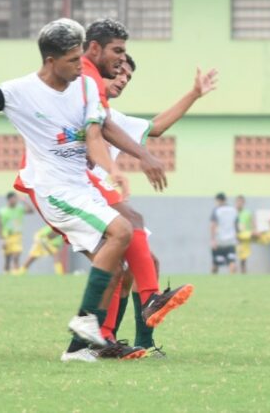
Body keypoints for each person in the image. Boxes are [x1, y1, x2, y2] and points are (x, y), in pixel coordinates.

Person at [0, 18, 180, 363]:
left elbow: (96, 135)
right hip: (52, 189)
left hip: (81, 187)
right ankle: (88, 328)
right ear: (50, 60)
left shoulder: (86, 87)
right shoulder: (19, 91)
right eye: (73, 60)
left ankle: (83, 345)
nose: (79, 65)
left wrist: (115, 168)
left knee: (116, 265)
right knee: (122, 230)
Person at [78, 21, 199, 357]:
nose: (122, 78)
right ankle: (110, 334)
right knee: (122, 257)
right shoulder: (76, 97)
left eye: (128, 77)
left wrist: (194, 93)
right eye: (119, 69)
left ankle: (130, 339)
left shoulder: (113, 117)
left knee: (139, 264)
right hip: (77, 193)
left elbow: (156, 127)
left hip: (100, 194)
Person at [0, 191, 33, 273]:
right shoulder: (2, 211)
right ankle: (6, 275)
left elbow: (31, 211)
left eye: (16, 198)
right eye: (14, 198)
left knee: (16, 256)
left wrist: (24, 201)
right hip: (6, 237)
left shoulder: (19, 209)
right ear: (9, 199)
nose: (16, 200)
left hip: (17, 236)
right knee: (7, 259)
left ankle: (16, 275)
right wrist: (1, 239)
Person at [210, 193, 239, 274]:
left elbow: (213, 225)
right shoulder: (234, 210)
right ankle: (232, 281)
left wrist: (212, 239)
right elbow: (236, 225)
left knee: (215, 263)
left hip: (219, 240)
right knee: (232, 261)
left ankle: (213, 280)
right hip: (231, 240)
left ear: (218, 200)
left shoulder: (217, 210)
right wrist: (237, 237)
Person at [235, 195, 255, 274]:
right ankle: (232, 275)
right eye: (238, 201)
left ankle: (243, 274)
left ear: (244, 203)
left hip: (245, 238)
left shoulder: (247, 213)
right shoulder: (233, 212)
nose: (239, 203)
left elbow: (253, 224)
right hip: (234, 237)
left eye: (241, 202)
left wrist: (253, 232)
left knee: (243, 258)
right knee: (233, 258)